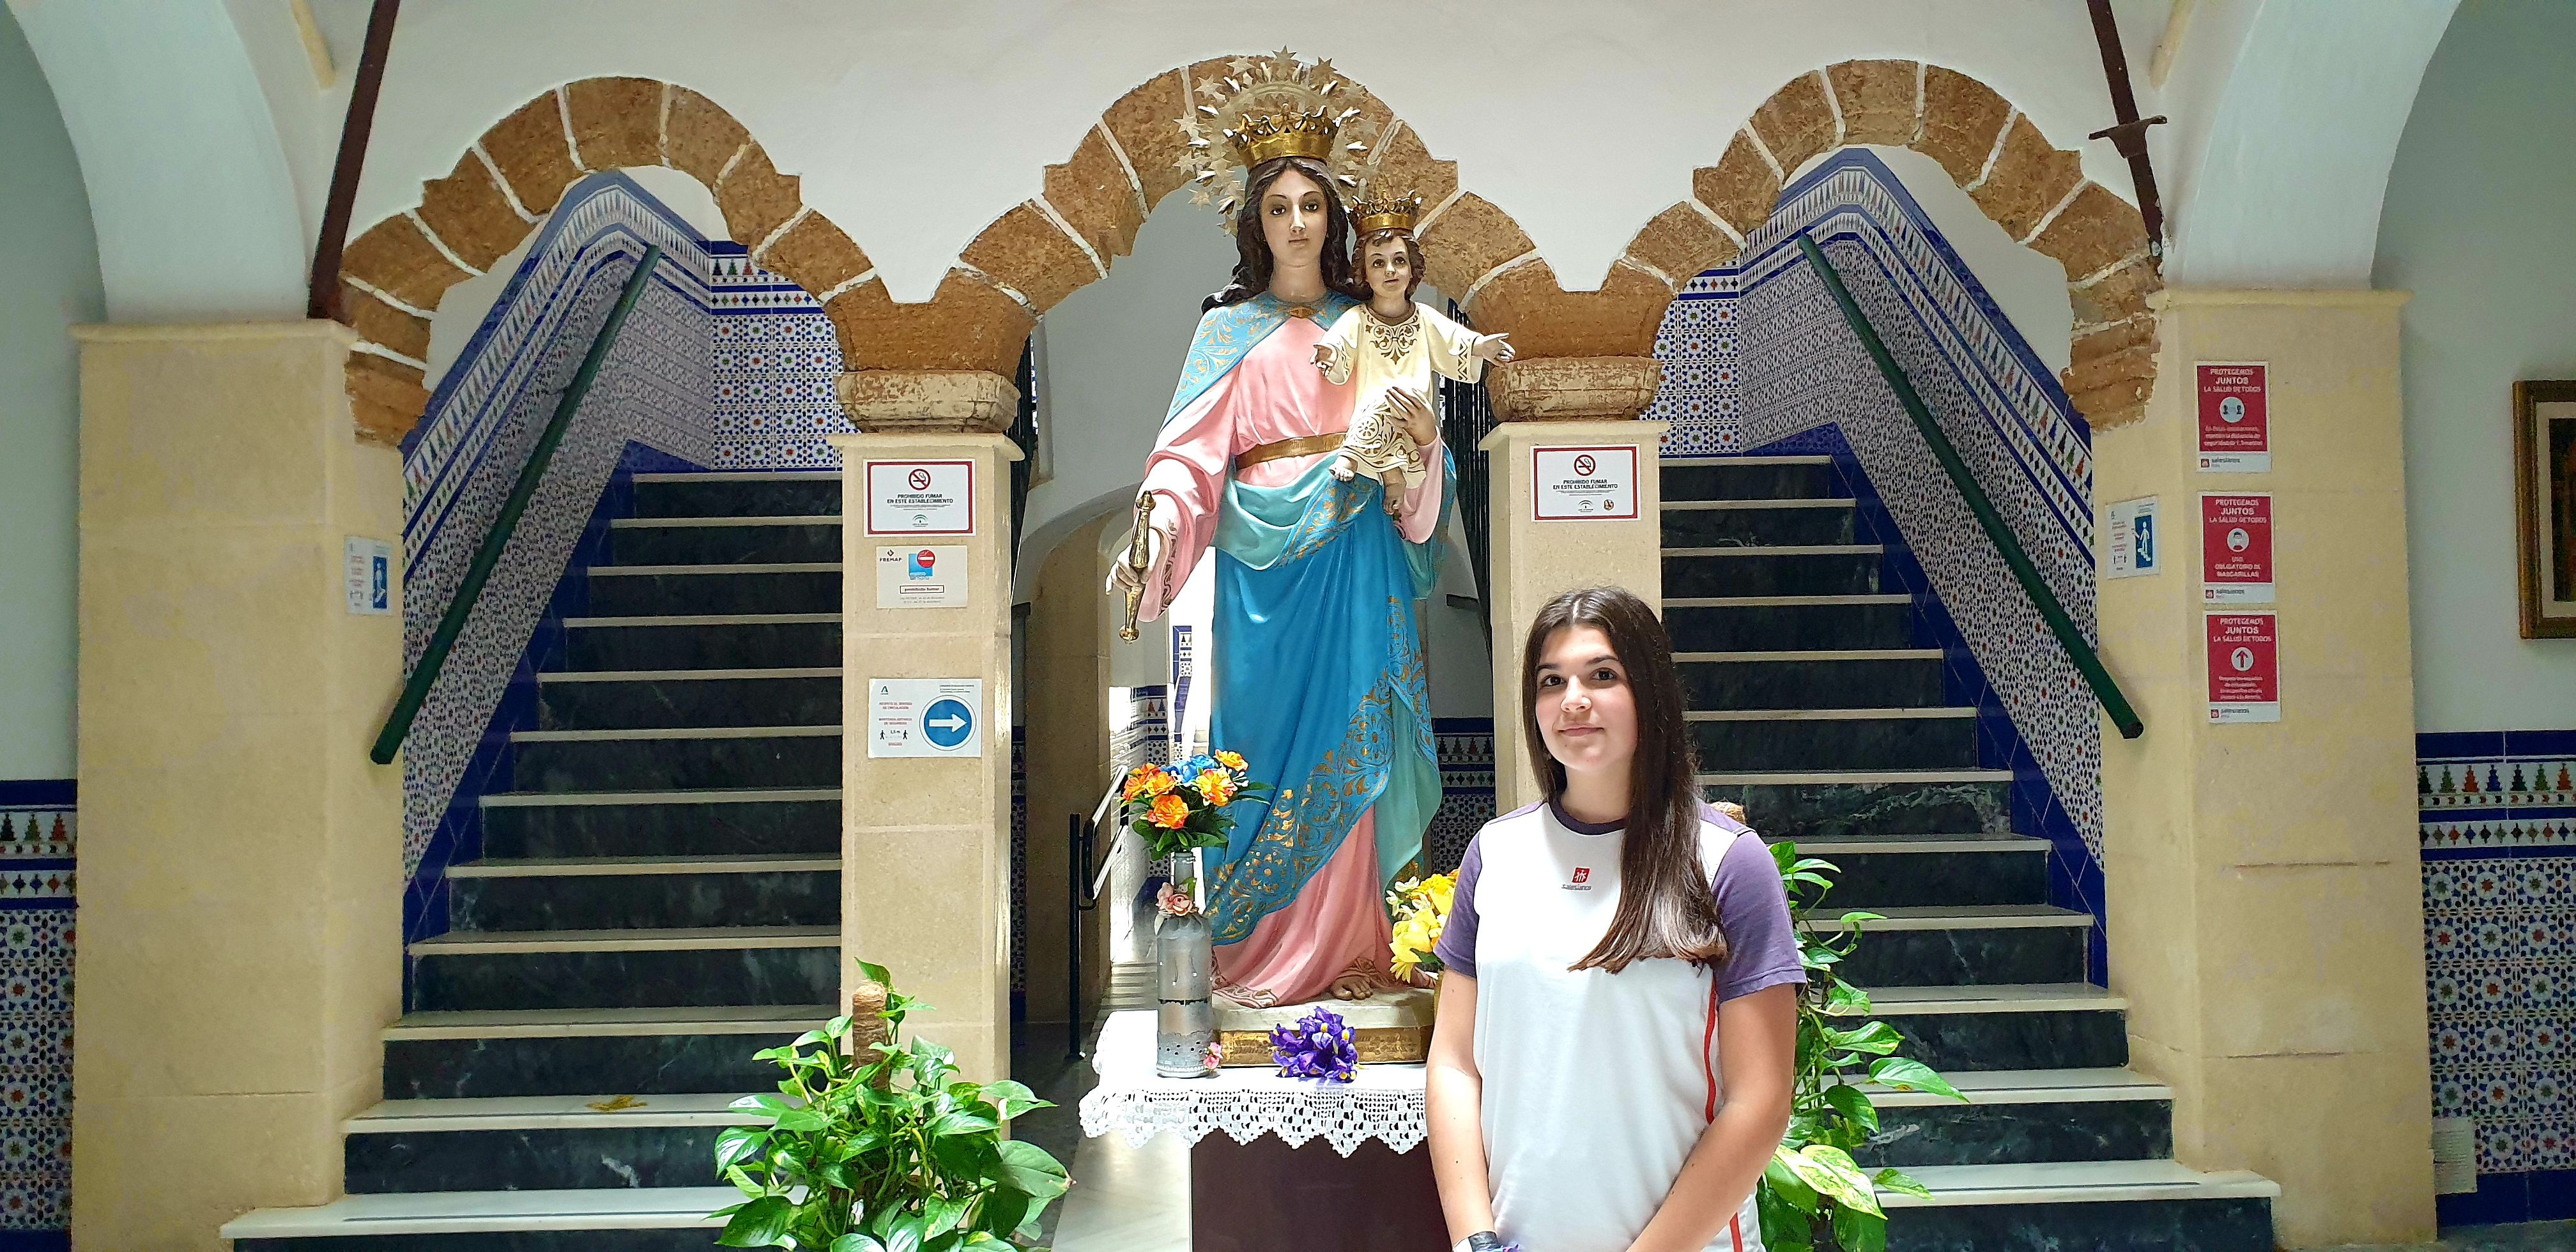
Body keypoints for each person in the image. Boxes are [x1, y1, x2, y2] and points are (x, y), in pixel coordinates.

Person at [1107, 141, 1450, 1007]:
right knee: (1260, 750)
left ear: (1333, 220)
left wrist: (1421, 443)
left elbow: (1417, 430)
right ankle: (1262, 953)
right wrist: (1155, 518)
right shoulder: (1226, 330)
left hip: (1355, 545)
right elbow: (1190, 458)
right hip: (1261, 576)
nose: (1297, 223)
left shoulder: (1371, 320)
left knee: (1359, 734)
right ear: (1254, 225)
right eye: (1278, 208)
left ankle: (1357, 954)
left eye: (1312, 206)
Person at [1426, 586, 1802, 1252]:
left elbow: (1762, 1100)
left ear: (1650, 691)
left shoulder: (1727, 864)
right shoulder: (1495, 854)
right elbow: (1456, 1062)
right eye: (1551, 680)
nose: (1574, 699)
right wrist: (1477, 1238)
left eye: (1603, 675)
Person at [1312, 189, 1512, 512]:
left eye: (1399, 261)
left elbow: (1456, 340)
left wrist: (1481, 346)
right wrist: (1329, 355)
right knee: (1378, 411)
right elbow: (1340, 346)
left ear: (1412, 268)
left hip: (1415, 409)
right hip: (1374, 409)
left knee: (1396, 418)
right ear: (1365, 272)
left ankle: (1370, 468)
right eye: (1378, 263)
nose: (1390, 270)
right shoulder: (1358, 319)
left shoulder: (1424, 317)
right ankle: (1379, 473)